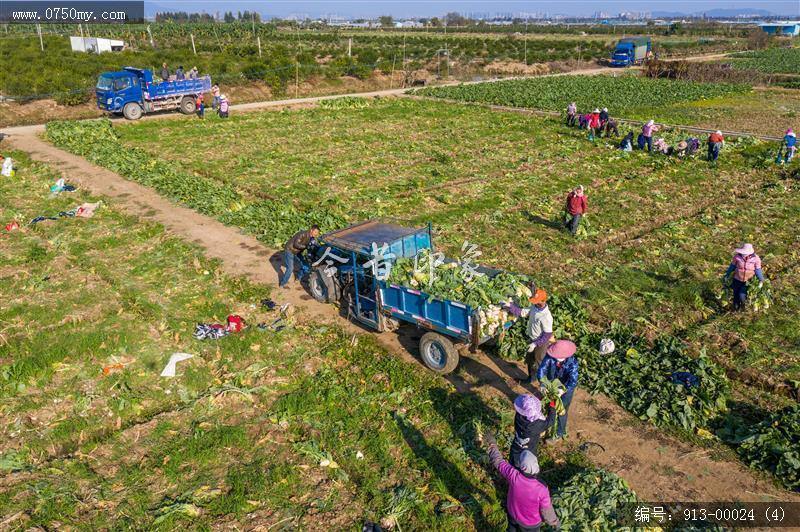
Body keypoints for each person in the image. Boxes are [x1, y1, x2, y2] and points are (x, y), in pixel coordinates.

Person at [483, 431, 561, 532]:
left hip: (513, 514)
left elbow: (498, 461)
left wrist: (492, 444)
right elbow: (547, 511)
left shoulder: (514, 476)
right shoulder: (542, 489)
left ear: (522, 467)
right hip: (531, 524)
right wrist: (554, 522)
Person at [537, 340, 579, 440]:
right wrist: (542, 383)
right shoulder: (549, 358)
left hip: (566, 388)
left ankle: (559, 432)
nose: (556, 359)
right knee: (548, 406)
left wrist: (563, 390)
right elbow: (542, 370)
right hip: (552, 385)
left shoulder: (572, 362)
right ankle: (546, 428)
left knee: (562, 410)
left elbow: (573, 380)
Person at [510, 394, 556, 468]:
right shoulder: (537, 425)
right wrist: (552, 408)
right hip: (529, 451)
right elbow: (551, 421)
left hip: (516, 447)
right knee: (527, 465)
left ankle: (512, 471)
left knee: (513, 463)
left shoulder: (518, 417)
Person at [519, 288, 553, 384]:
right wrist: (510, 307)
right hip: (532, 339)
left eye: (537, 301)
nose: (535, 303)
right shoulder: (534, 307)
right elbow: (523, 312)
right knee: (530, 360)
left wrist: (535, 344)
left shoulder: (546, 316)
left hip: (541, 342)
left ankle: (544, 386)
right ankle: (531, 378)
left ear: (543, 300)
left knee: (539, 363)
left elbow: (547, 335)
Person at [723, 243, 765, 311]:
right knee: (736, 296)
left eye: (745, 253)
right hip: (737, 279)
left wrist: (761, 280)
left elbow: (758, 270)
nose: (744, 254)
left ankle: (743, 308)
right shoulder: (737, 257)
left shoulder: (756, 259)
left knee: (742, 295)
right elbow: (732, 267)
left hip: (748, 281)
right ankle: (735, 310)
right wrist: (727, 275)